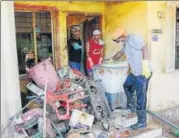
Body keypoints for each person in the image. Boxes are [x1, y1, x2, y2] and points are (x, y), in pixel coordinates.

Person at [112, 27, 152, 130]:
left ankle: (142, 121)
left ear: (123, 36)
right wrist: (111, 59)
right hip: (134, 72)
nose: (118, 41)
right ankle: (132, 106)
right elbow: (121, 53)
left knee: (141, 97)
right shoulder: (125, 43)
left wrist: (146, 63)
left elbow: (144, 47)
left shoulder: (134, 38)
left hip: (143, 73)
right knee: (126, 86)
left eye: (118, 39)